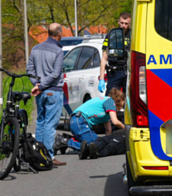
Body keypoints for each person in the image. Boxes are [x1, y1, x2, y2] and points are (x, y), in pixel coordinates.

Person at [27, 23, 67, 167]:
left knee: (41, 122)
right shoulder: (58, 51)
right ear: (59, 34)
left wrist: (37, 85)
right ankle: (48, 156)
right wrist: (43, 86)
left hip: (40, 92)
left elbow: (29, 69)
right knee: (50, 124)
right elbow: (56, 74)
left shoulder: (35, 48)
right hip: (53, 90)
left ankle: (37, 154)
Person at [67, 87, 125, 157]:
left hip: (77, 121)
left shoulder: (105, 109)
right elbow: (115, 122)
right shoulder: (110, 101)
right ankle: (65, 141)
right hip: (79, 121)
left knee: (98, 143)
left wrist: (108, 142)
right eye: (123, 103)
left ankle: (69, 140)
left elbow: (108, 130)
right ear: (120, 99)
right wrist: (126, 128)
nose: (122, 106)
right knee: (95, 145)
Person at [99, 12, 131, 95]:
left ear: (130, 23)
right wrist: (101, 79)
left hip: (128, 72)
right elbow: (104, 58)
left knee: (129, 102)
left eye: (126, 23)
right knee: (110, 101)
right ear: (118, 22)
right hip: (114, 72)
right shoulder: (111, 35)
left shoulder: (133, 35)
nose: (123, 26)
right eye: (122, 23)